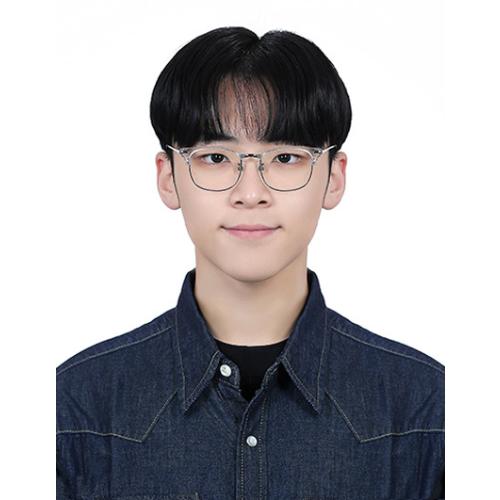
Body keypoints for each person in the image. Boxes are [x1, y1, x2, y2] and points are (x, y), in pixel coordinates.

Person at [56, 27, 445, 499]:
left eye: (286, 157)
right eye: (215, 157)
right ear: (168, 178)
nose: (251, 193)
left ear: (334, 178)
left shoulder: (425, 409)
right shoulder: (76, 407)